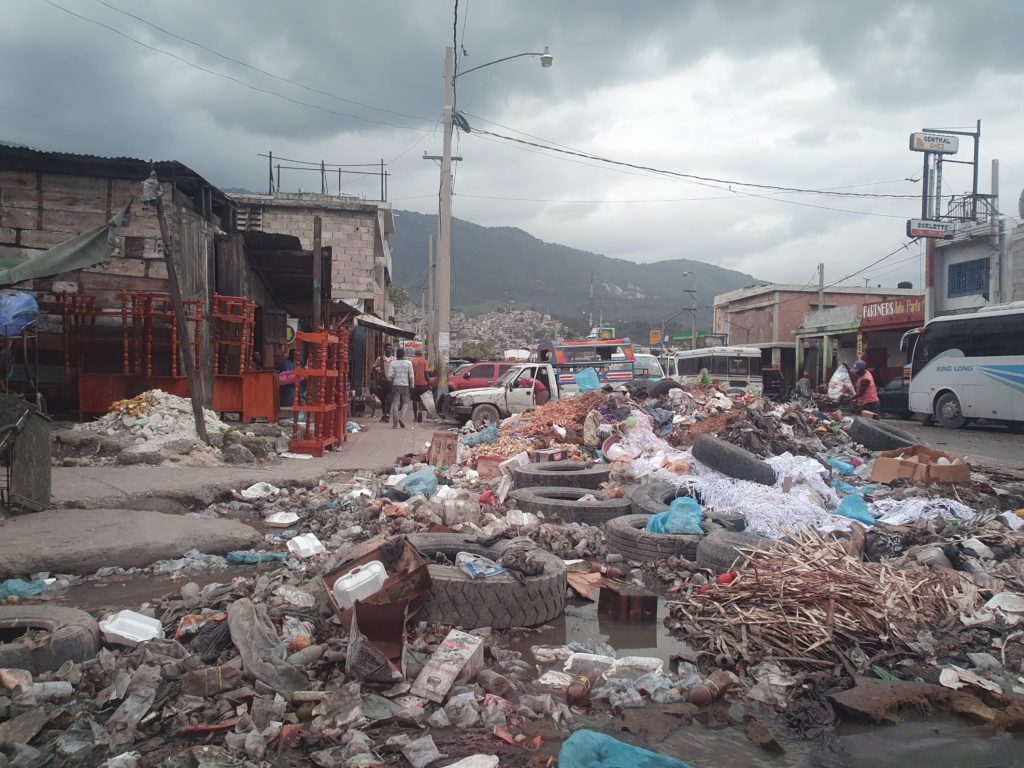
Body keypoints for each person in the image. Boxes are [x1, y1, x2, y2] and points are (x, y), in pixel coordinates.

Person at [387, 346, 414, 429]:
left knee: (395, 403)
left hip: (396, 385)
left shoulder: (393, 363)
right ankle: (401, 418)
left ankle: (395, 424)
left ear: (396, 355)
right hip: (405, 386)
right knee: (406, 402)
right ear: (404, 354)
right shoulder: (408, 363)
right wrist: (412, 385)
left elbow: (390, 376)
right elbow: (411, 376)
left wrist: (393, 377)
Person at [371, 343, 395, 422]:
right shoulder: (380, 359)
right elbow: (373, 368)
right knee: (383, 399)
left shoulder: (394, 359)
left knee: (389, 399)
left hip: (391, 382)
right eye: (388, 348)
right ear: (385, 349)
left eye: (390, 348)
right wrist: (378, 370)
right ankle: (384, 413)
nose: (389, 350)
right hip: (382, 382)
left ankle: (387, 414)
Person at [411, 349, 430, 423]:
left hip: (414, 384)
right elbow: (426, 374)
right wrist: (429, 384)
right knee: (421, 400)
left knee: (414, 400)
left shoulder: (412, 362)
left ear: (415, 354)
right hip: (422, 384)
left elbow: (410, 373)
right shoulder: (424, 361)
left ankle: (415, 416)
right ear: (421, 354)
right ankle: (420, 411)